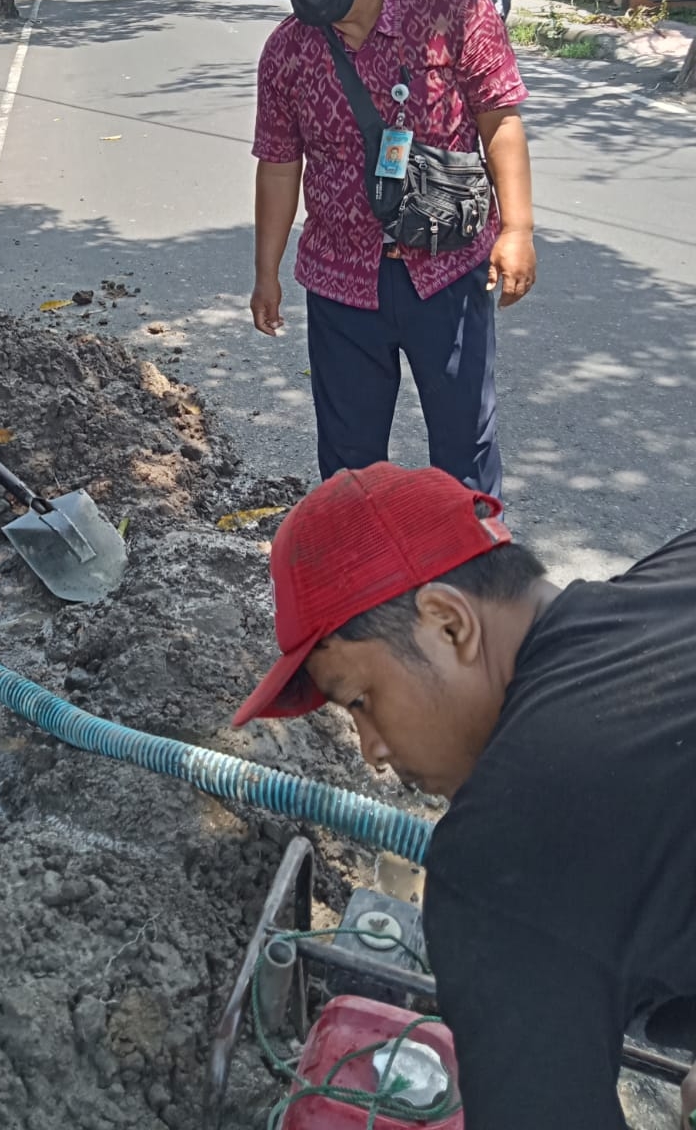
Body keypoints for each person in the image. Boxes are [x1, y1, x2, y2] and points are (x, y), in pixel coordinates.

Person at [233, 462, 696, 1130]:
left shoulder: (503, 853)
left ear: (449, 623)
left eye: (362, 701)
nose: (374, 751)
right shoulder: (674, 576)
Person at [251, 0, 536, 499]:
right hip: (341, 282)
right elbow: (278, 165)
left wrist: (516, 230)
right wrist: (266, 271)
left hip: (449, 271)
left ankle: (474, 584)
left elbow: (500, 120)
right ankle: (366, 587)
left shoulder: (455, 9)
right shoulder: (286, 53)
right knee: (350, 466)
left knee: (466, 449)